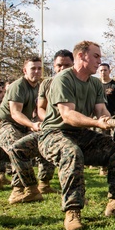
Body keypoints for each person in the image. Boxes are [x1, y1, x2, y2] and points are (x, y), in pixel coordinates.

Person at [38, 41, 115, 230]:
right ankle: (72, 211)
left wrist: (113, 123)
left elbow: (101, 111)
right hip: (53, 134)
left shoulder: (96, 83)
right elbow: (68, 115)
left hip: (80, 134)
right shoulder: (63, 79)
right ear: (81, 56)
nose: (100, 61)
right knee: (71, 153)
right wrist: (97, 123)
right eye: (96, 56)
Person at [0, 57, 46, 205]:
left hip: (21, 126)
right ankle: (23, 190)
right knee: (17, 147)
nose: (36, 71)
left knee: (42, 142)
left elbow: (38, 110)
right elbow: (15, 113)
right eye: (33, 68)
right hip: (4, 124)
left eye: (39, 68)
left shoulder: (38, 87)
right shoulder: (18, 86)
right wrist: (32, 125)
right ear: (24, 70)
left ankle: (41, 185)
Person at [36, 50, 74, 194]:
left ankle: (72, 193)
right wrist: (48, 121)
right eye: (59, 65)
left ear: (73, 64)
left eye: (67, 65)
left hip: (73, 125)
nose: (62, 68)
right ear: (53, 66)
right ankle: (43, 183)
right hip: (52, 126)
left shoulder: (77, 82)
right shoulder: (46, 84)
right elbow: (40, 107)